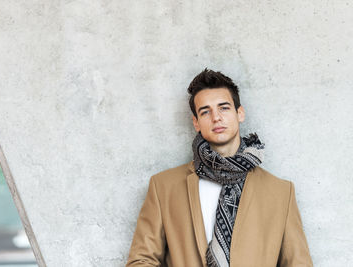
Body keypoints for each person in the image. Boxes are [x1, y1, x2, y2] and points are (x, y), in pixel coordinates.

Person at [126, 68, 313, 267]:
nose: (216, 117)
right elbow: (141, 260)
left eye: (224, 108)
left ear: (239, 113)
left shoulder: (280, 192)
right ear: (196, 122)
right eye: (205, 111)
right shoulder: (163, 187)